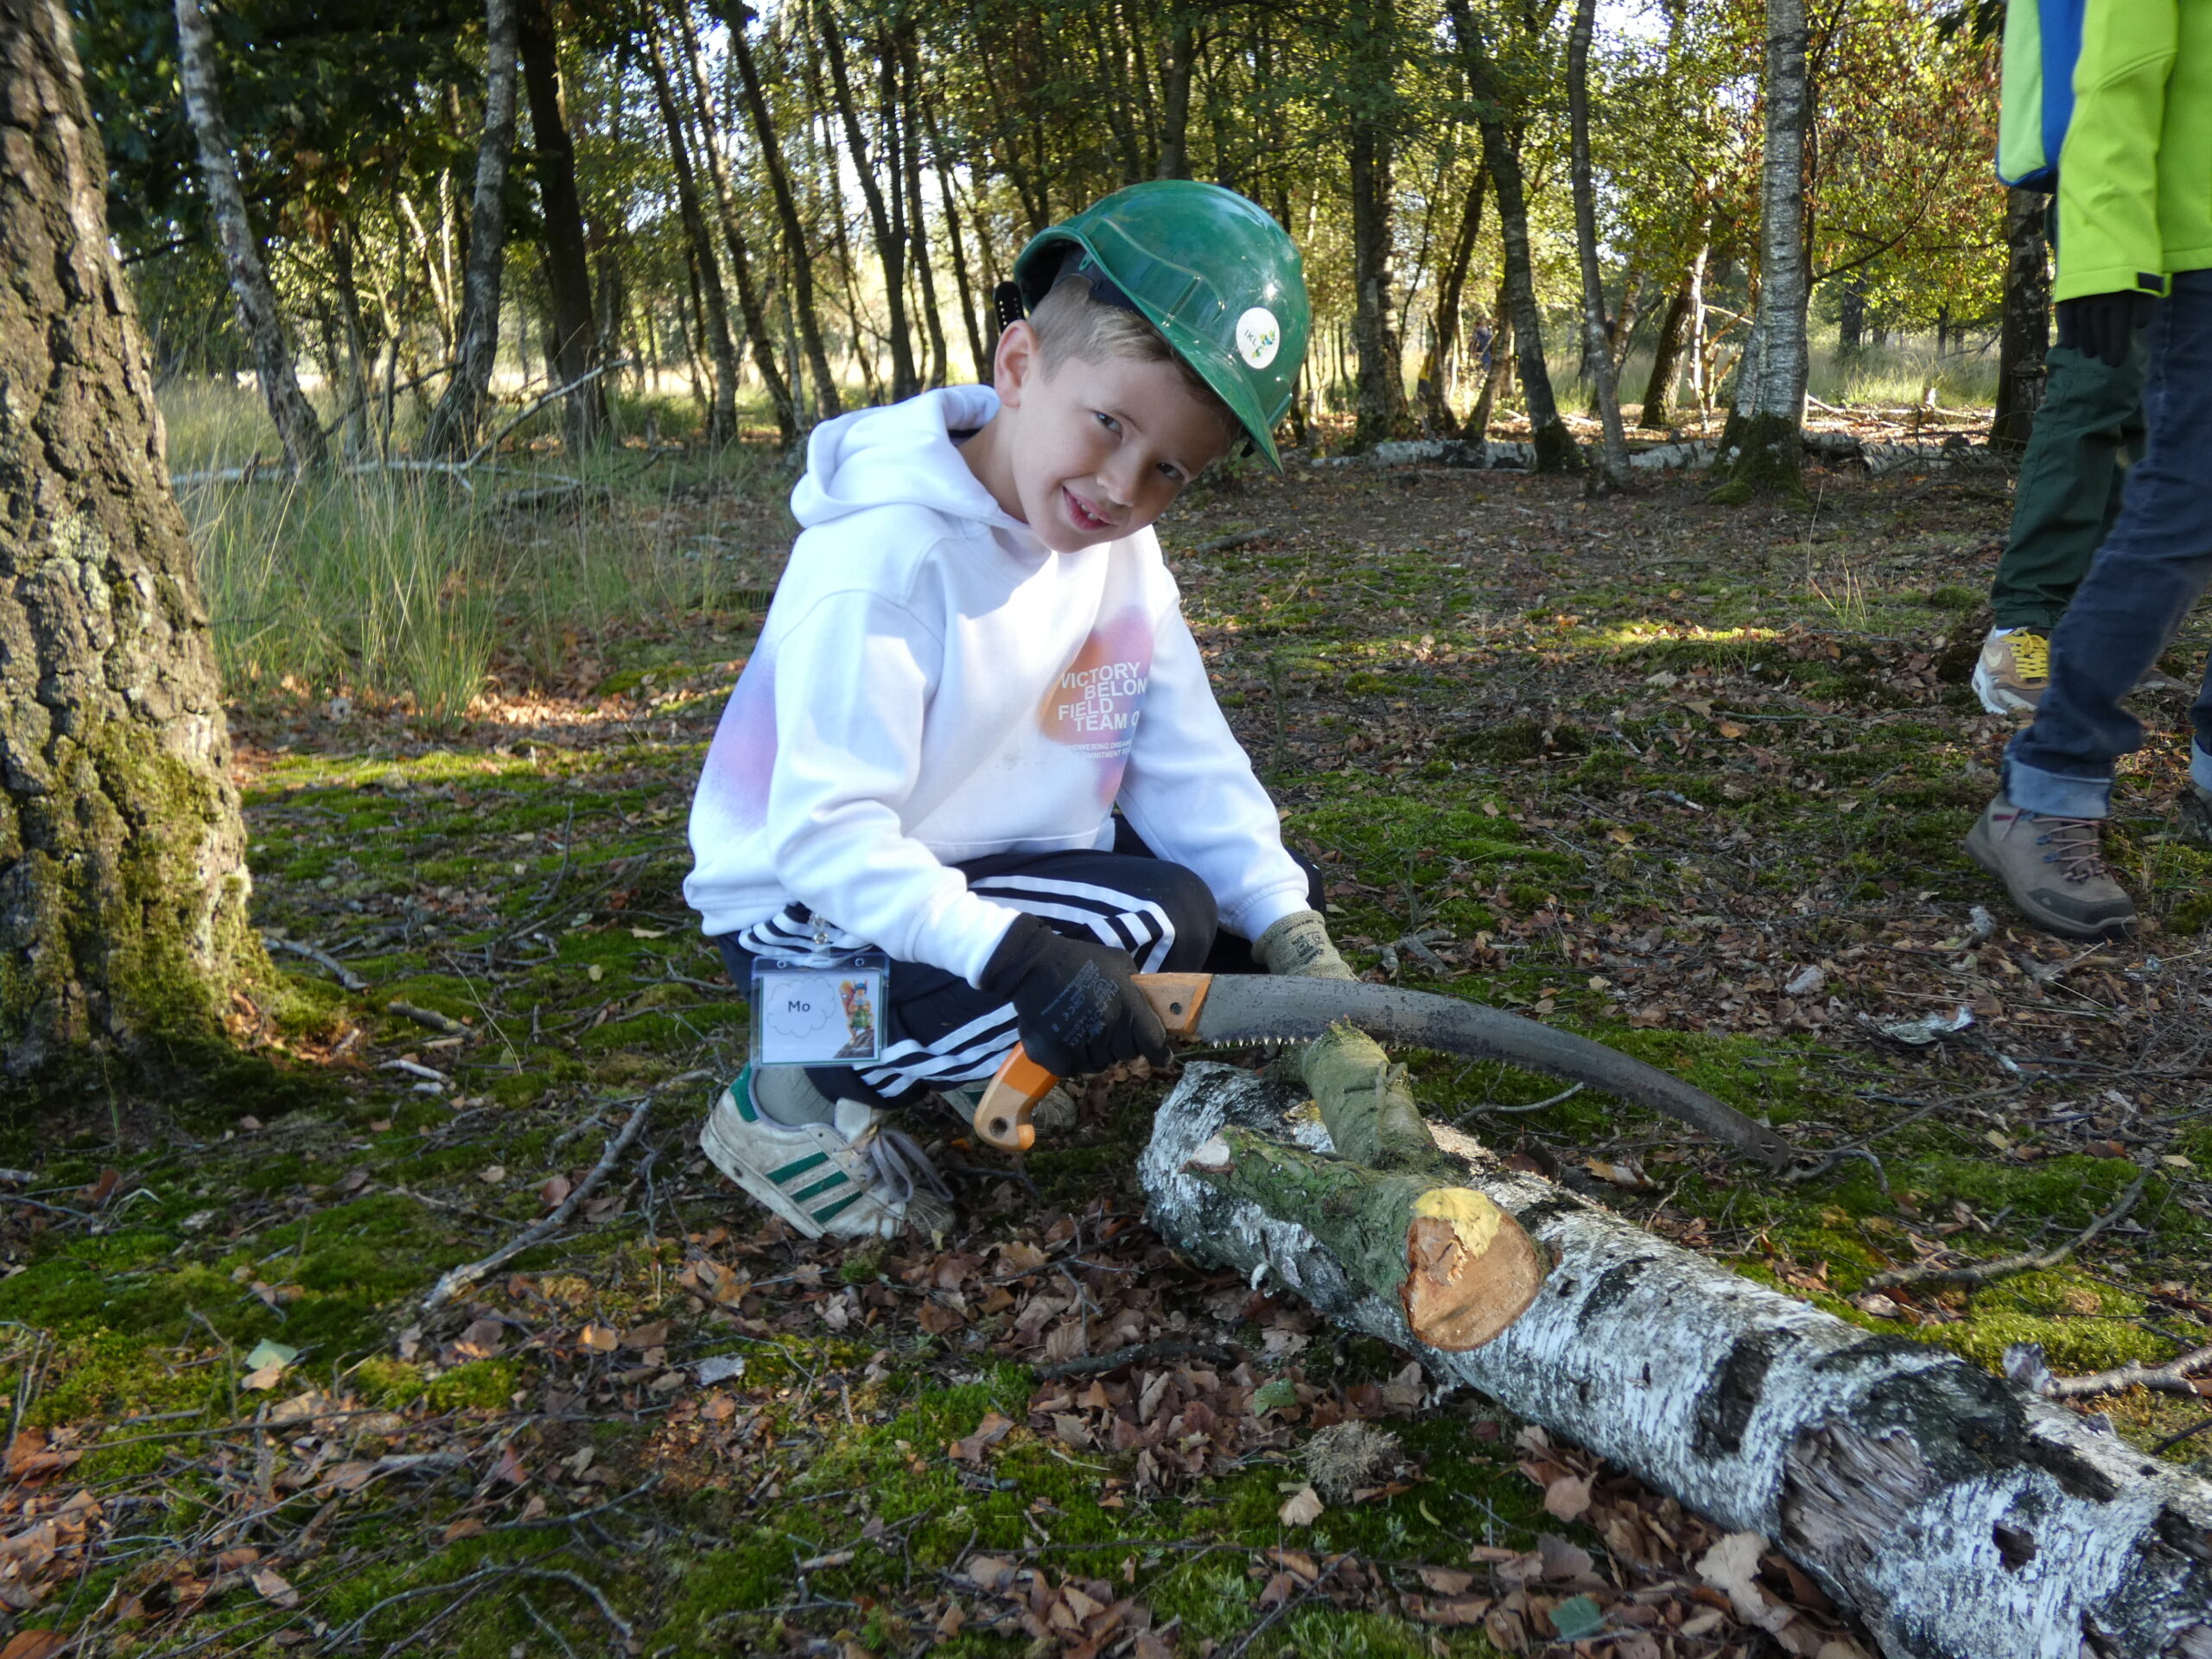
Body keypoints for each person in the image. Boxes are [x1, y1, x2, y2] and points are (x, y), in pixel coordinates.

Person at [683, 181, 1355, 1239]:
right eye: (1107, 425)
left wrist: (1290, 927)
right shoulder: (883, 560)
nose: (1123, 488)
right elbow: (823, 837)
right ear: (1017, 366)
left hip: (963, 864)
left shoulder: (1117, 552)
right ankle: (794, 1090)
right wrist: (1020, 959)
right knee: (1153, 919)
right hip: (802, 917)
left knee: (1236, 917)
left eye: (1168, 469)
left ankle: (967, 1028)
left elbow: (1186, 761)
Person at [1966, 0, 2212, 939]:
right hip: (2189, 238)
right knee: (2184, 505)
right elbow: (2116, 57)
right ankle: (2045, 786)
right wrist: (2100, 245)